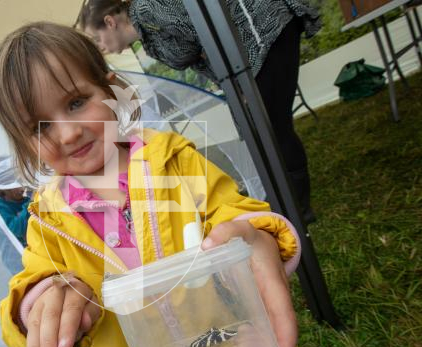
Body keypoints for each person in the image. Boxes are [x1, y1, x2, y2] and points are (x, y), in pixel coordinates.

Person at [0, 22, 310, 347]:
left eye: (76, 103)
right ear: (24, 146)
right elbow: (35, 278)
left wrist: (252, 237)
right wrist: (40, 305)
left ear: (112, 91)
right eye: (40, 128)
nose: (68, 133)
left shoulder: (175, 161)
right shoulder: (47, 224)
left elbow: (236, 213)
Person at [79, 0, 320, 224]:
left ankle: (297, 208)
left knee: (272, 127)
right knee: (254, 129)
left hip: (263, 34)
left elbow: (201, 29)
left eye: (95, 38)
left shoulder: (147, 10)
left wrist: (238, 78)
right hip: (243, 58)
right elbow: (198, 53)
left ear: (110, 22)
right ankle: (280, 198)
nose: (98, 46)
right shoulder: (147, 34)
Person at [0, 162, 33, 274]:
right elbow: (16, 229)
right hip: (18, 262)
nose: (22, 186)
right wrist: (31, 203)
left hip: (36, 253)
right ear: (4, 187)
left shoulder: (25, 200)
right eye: (16, 182)